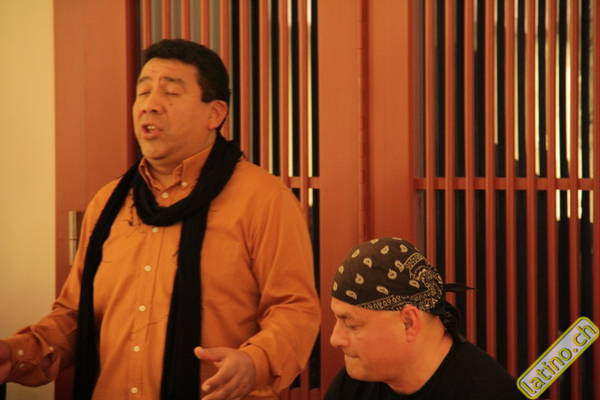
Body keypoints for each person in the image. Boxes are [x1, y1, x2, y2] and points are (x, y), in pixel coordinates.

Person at [0, 39, 321, 400]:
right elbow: (75, 317)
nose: (149, 105)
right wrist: (16, 353)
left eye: (170, 92)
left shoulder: (263, 199)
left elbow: (294, 309)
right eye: (143, 92)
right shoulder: (109, 203)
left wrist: (254, 362)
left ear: (215, 114)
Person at [324, 237, 524, 400]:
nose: (335, 339)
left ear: (408, 323)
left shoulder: (486, 392)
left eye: (351, 324)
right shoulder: (353, 384)